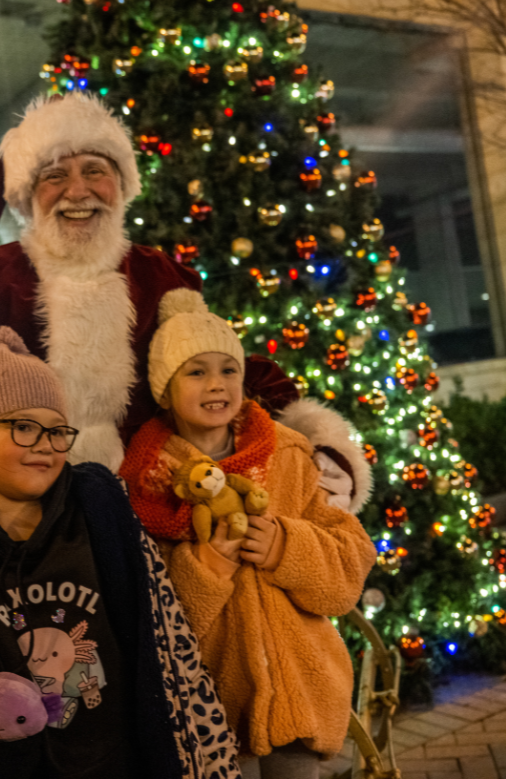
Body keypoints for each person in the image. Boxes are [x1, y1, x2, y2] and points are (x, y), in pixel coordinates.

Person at [0, 91, 371, 624]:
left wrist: (317, 441)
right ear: (25, 197)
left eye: (96, 169)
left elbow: (222, 369)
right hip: (22, 542)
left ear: (121, 185)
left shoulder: (160, 277)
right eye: (53, 175)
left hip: (161, 530)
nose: (78, 191)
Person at [0, 326, 241, 779]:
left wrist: (214, 767)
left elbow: (175, 653)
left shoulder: (103, 512)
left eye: (58, 431)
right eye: (23, 427)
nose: (45, 444)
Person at [118, 290, 378, 779]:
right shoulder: (146, 481)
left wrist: (286, 546)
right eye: (196, 372)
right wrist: (207, 567)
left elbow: (347, 570)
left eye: (228, 369)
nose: (216, 384)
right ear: (164, 388)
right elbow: (151, 615)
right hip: (210, 707)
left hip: (300, 692)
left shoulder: (288, 454)